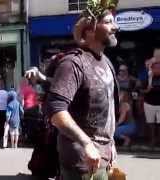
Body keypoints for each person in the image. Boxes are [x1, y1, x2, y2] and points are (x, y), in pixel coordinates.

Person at [26, 0, 120, 179]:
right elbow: (56, 110)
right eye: (108, 22)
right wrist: (86, 144)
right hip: (81, 160)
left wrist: (111, 143)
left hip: (104, 155)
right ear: (90, 30)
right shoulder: (73, 63)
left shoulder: (106, 62)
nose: (115, 27)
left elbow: (109, 112)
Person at [142, 48, 160, 147]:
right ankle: (152, 140)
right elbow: (140, 90)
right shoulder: (147, 76)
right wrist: (147, 90)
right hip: (149, 103)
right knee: (151, 123)